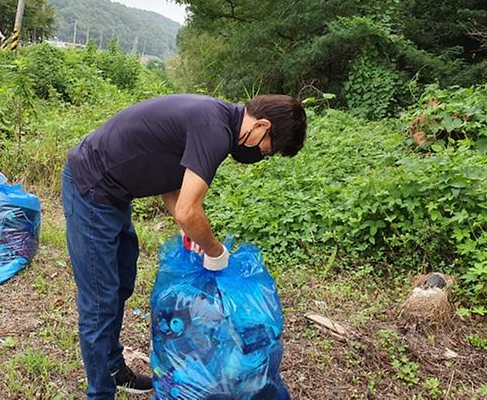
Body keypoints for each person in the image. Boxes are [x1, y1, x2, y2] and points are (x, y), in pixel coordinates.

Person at [61, 93, 307, 398]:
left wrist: (188, 230)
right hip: (91, 188)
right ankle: (100, 393)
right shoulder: (214, 130)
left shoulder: (217, 120)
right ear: (262, 126)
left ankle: (114, 368)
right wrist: (216, 251)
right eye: (267, 149)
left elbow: (170, 174)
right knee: (100, 302)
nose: (262, 155)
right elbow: (189, 210)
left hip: (114, 194)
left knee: (121, 283)